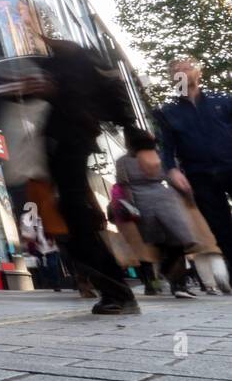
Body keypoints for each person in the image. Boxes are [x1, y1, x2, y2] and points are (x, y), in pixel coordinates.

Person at [35, 35, 141, 315]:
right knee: (71, 214)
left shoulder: (73, 62)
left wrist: (50, 89)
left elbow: (81, 98)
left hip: (70, 142)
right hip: (68, 142)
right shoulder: (70, 61)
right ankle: (113, 290)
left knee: (74, 216)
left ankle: (116, 292)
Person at [155, 58, 232, 273]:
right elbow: (167, 147)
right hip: (200, 175)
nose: (180, 70)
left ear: (199, 72)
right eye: (175, 69)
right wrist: (170, 169)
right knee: (221, 228)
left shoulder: (223, 101)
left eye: (187, 67)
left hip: (229, 165)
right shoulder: (168, 112)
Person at [114, 129, 198, 299]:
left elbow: (124, 185)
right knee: (177, 241)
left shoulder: (123, 161)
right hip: (166, 199)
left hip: (142, 203)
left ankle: (169, 275)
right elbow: (173, 179)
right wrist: (188, 197)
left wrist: (131, 206)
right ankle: (177, 283)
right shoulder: (159, 155)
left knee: (160, 242)